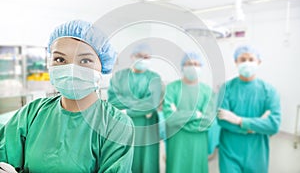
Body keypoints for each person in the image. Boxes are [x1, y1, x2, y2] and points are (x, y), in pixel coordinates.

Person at [0, 20, 134, 172]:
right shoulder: (32, 113)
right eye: (60, 59)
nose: (71, 69)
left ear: (102, 66)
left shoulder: (115, 125)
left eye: (85, 60)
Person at [217, 45, 281, 173]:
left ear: (259, 62)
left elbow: (273, 125)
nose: (247, 63)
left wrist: (240, 120)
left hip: (257, 153)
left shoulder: (269, 91)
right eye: (243, 59)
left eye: (251, 59)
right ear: (236, 62)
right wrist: (257, 125)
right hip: (230, 151)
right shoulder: (226, 89)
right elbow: (222, 120)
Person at [107, 44, 162, 173]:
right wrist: (141, 106)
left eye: (147, 57)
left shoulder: (154, 78)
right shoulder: (118, 77)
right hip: (123, 126)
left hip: (146, 128)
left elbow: (151, 103)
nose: (143, 59)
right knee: (125, 158)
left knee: (146, 160)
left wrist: (127, 109)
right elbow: (113, 101)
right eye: (140, 56)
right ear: (132, 57)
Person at [162, 52, 214, 173]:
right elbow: (170, 119)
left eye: (196, 64)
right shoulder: (171, 89)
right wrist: (196, 114)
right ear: (182, 67)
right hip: (177, 143)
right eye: (189, 64)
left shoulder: (207, 91)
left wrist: (180, 117)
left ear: (201, 67)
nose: (193, 67)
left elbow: (207, 121)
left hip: (198, 143)